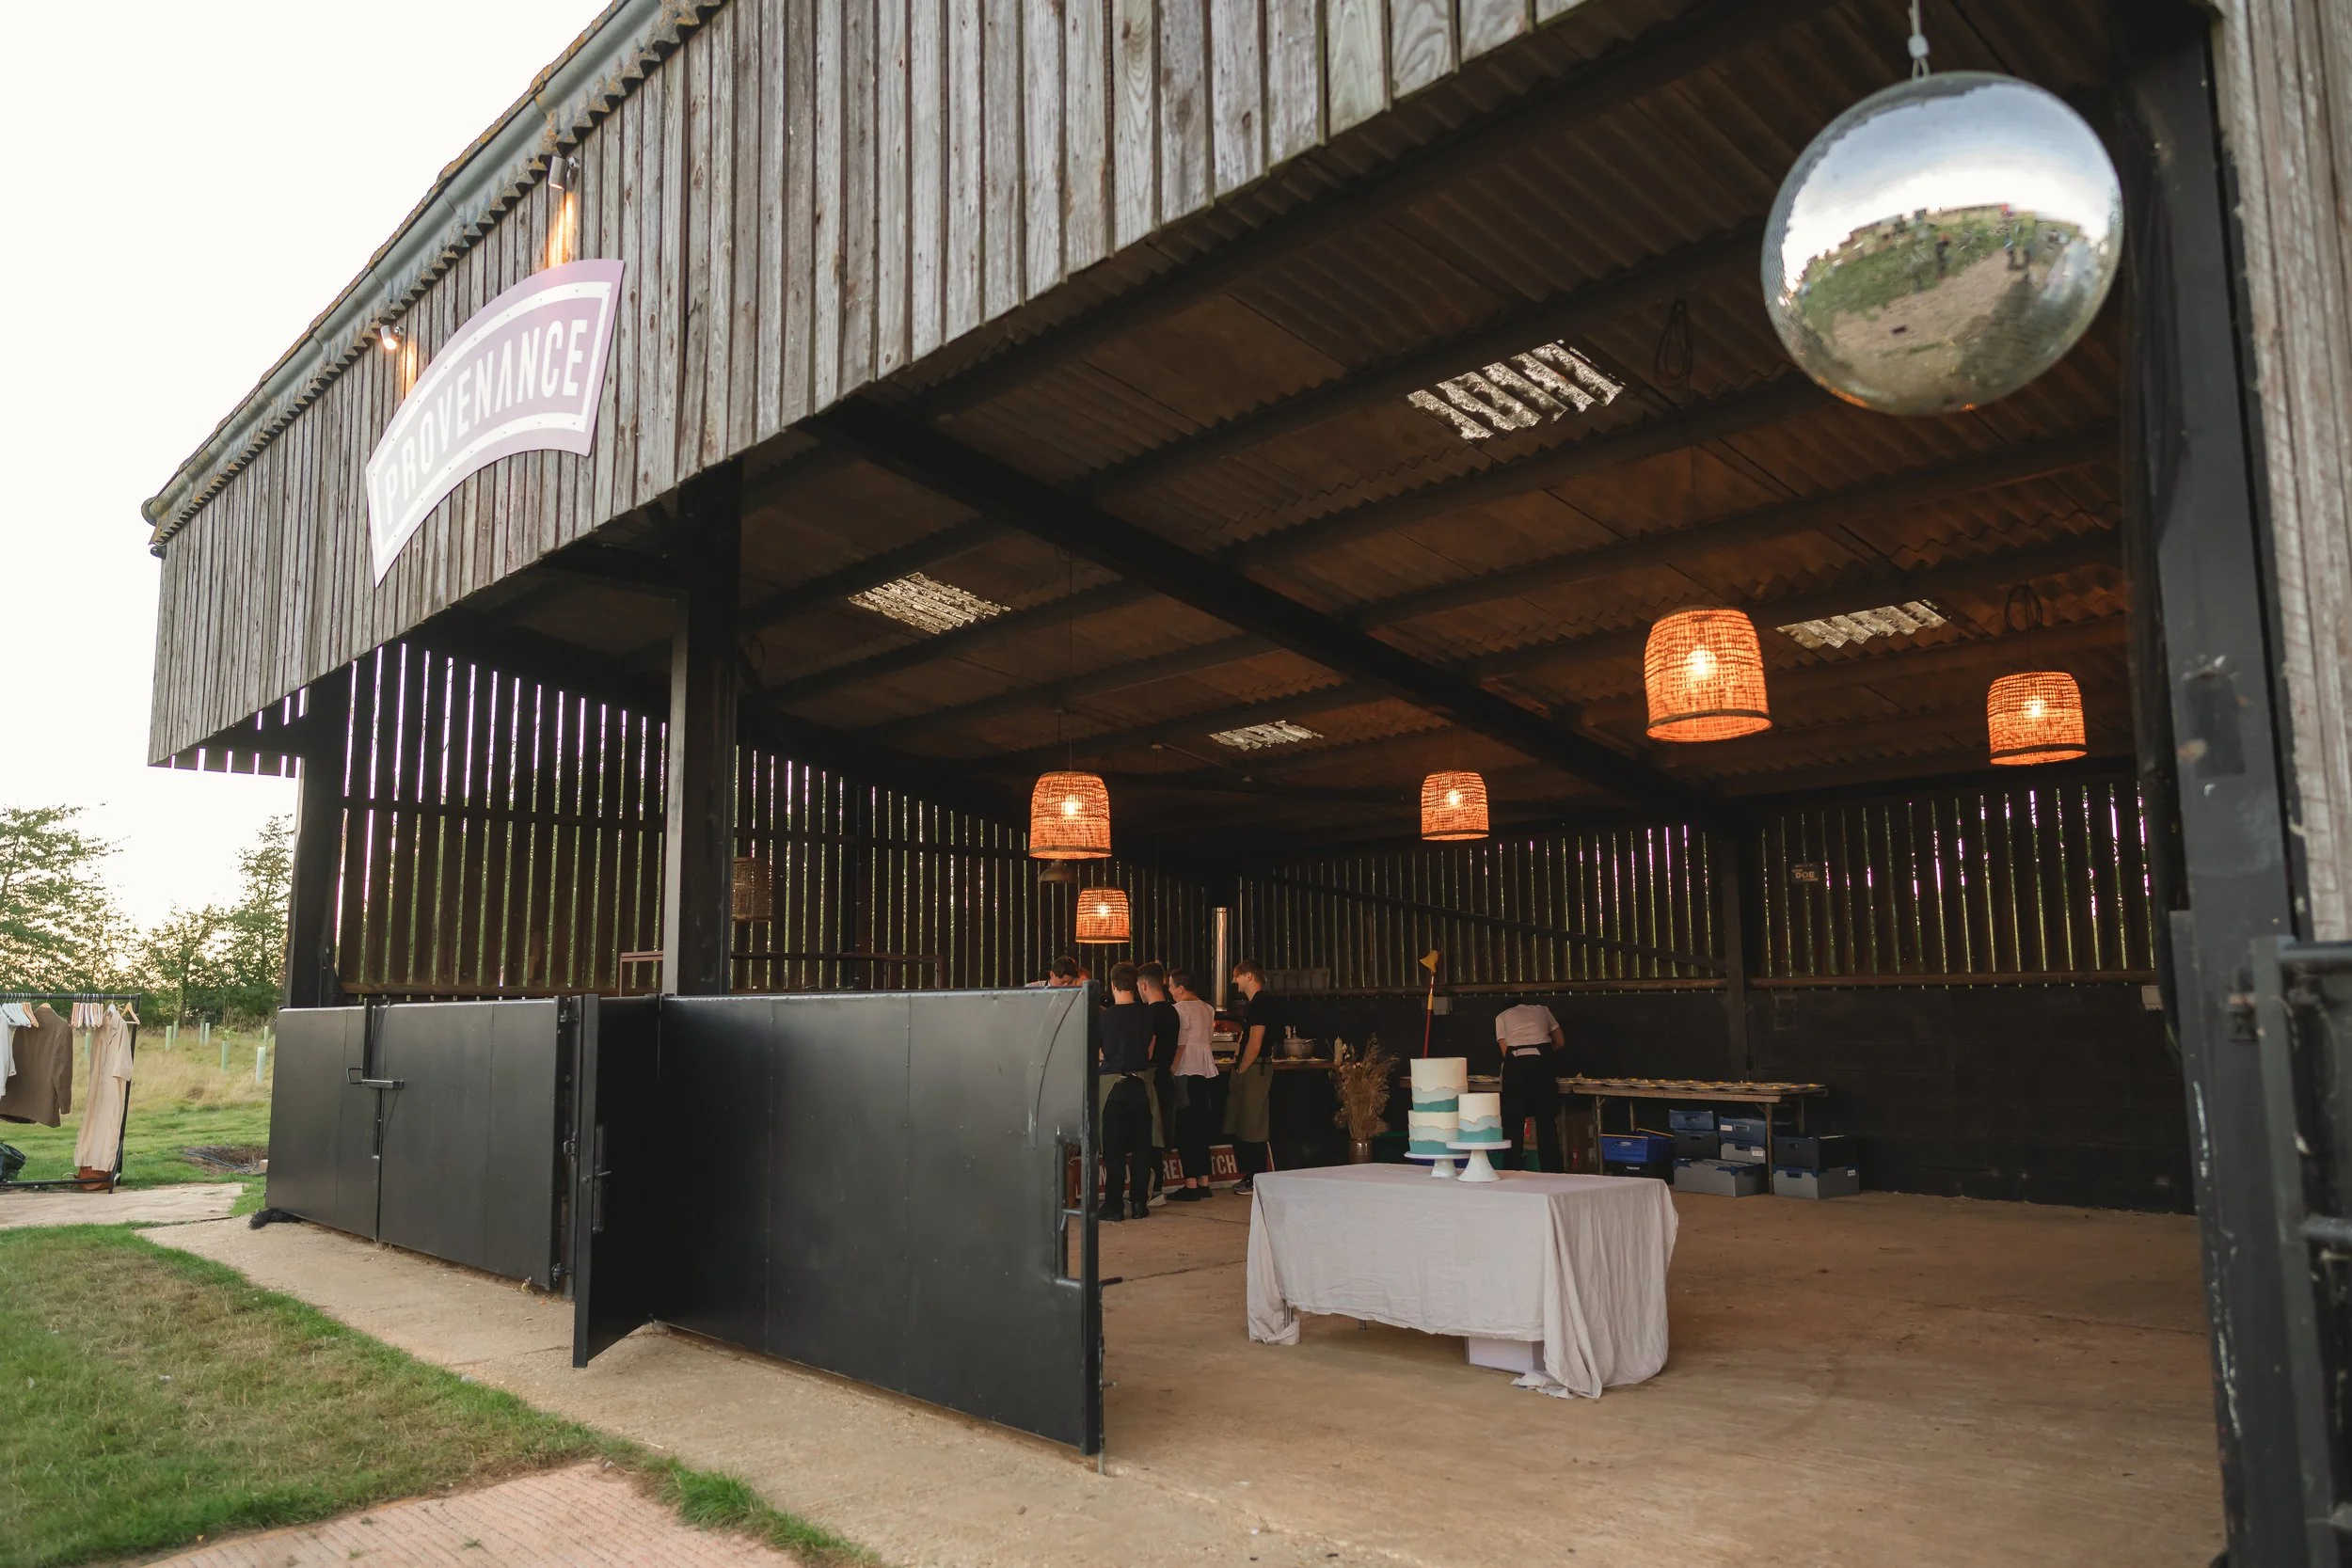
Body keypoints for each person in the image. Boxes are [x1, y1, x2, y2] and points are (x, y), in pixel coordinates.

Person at [1096, 962, 1158, 1222]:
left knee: (1114, 1150)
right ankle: (1140, 1203)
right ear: (1136, 985)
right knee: (1142, 1147)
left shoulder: (1103, 1017)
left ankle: (1113, 1206)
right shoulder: (1147, 1015)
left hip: (1112, 1087)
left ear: (1112, 985)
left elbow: (1098, 1053)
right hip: (1140, 1085)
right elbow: (1150, 1048)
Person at [1224, 958, 1278, 1194]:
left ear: (1248, 976)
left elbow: (1255, 1041)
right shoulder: (1253, 1004)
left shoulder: (1261, 1004)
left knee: (1253, 1123)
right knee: (1244, 1121)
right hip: (1250, 1066)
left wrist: (1242, 1067)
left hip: (1256, 1067)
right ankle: (1250, 1174)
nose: (1234, 981)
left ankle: (1255, 1176)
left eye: (1237, 976)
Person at [1494, 999, 1566, 1173]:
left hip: (1516, 1061)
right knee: (1546, 1118)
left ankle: (1512, 1169)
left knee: (1513, 1119)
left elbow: (1505, 1051)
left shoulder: (1502, 1016)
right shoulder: (1543, 1009)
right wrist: (1544, 1054)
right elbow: (1561, 1042)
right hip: (1542, 1061)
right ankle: (1552, 1171)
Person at [1167, 969, 1220, 1200]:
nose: (1169, 990)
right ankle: (1203, 1181)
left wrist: (1170, 1070)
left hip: (1186, 1072)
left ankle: (1190, 1185)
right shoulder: (1208, 1009)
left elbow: (1180, 1045)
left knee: (1186, 1129)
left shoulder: (1180, 1009)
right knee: (1201, 1127)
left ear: (1180, 988)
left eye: (1170, 986)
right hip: (1206, 1072)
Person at [1136, 962, 1181, 1206]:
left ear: (1144, 985)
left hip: (1151, 1076)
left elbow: (1149, 1048)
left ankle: (1153, 1189)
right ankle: (1158, 1187)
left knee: (1150, 1133)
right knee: (1162, 1131)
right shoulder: (1173, 1011)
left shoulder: (1150, 1014)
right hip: (1167, 1075)